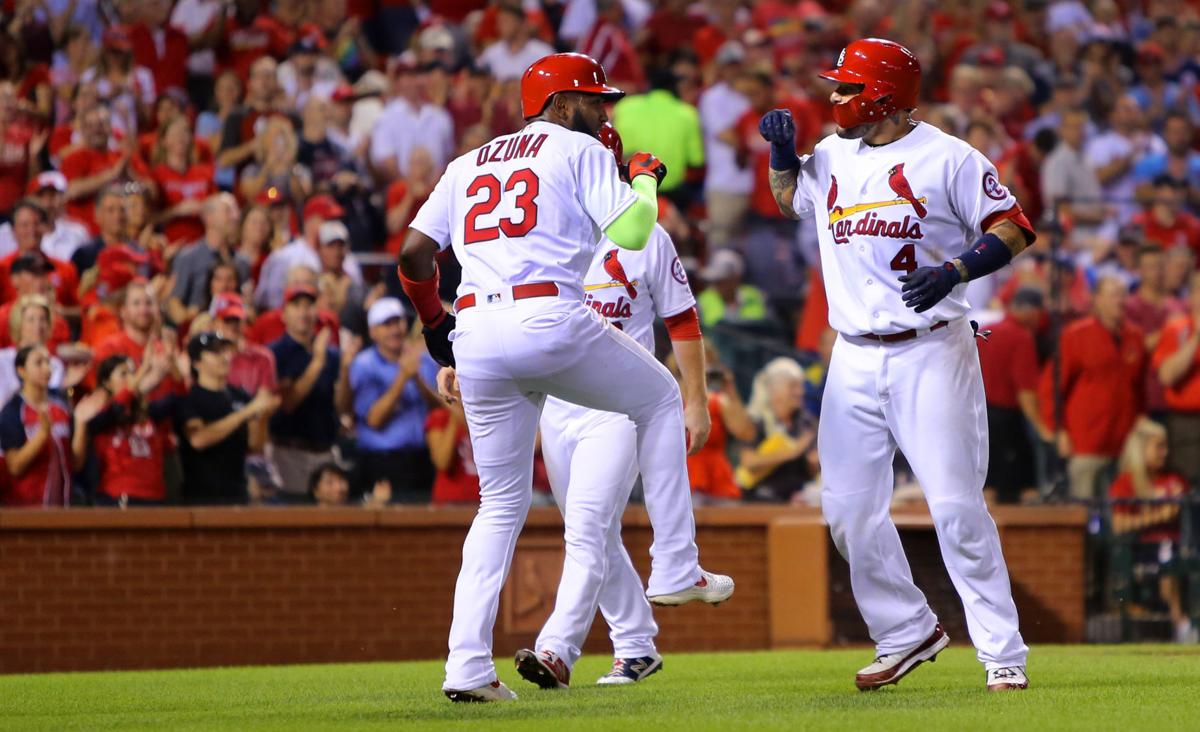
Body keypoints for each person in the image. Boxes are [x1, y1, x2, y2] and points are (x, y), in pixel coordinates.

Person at [398, 53, 733, 703]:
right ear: (558, 103)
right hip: (549, 313)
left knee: (498, 508)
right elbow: (635, 228)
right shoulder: (572, 148)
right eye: (593, 100)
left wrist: (436, 329)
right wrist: (642, 180)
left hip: (476, 328)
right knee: (663, 397)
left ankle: (466, 668)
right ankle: (675, 566)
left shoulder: (467, 162)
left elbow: (412, 254)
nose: (603, 111)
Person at [761, 38, 1035, 691]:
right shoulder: (829, 155)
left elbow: (1015, 227)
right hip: (852, 354)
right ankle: (907, 628)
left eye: (848, 88)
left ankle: (1003, 654)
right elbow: (788, 200)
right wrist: (780, 158)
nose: (834, 98)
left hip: (932, 349)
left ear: (883, 95)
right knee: (847, 511)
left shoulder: (947, 157)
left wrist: (959, 270)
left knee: (956, 509)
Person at [514, 123, 714, 689]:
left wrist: (694, 402)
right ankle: (636, 644)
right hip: (558, 403)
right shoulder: (543, 229)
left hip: (620, 403)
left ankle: (557, 650)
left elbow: (682, 319)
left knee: (585, 526)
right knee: (593, 532)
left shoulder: (645, 233)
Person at [1042, 277, 1146, 500]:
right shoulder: (1076, 334)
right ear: (1097, 299)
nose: (1119, 301)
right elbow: (1051, 387)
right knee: (1084, 505)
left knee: (1124, 506)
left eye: (1122, 295)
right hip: (1086, 439)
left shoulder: (1135, 336)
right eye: (1112, 295)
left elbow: (1140, 389)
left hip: (1125, 441)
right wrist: (1058, 430)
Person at [1107, 418, 1194, 643]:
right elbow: (1119, 525)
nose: (1164, 453)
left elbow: (1180, 510)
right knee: (1167, 558)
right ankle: (1182, 625)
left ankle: (1184, 624)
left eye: (1166, 446)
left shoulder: (1174, 479)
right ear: (1140, 449)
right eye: (1158, 447)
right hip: (1138, 548)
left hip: (1177, 544)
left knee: (1171, 556)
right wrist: (1158, 516)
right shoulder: (1125, 483)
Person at [268, 283, 353, 499]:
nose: (304, 312)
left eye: (309, 305)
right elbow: (287, 404)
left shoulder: (331, 354)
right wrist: (317, 362)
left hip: (325, 451)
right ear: (284, 313)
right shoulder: (275, 354)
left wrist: (344, 369)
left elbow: (341, 406)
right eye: (297, 305)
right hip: (289, 452)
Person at [176, 331, 278, 504]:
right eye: (216, 352)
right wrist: (246, 412)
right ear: (196, 363)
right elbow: (199, 439)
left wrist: (263, 416)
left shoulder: (240, 395)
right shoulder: (190, 398)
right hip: (202, 497)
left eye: (226, 351)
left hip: (238, 493)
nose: (224, 357)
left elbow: (255, 444)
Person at [349, 297, 434, 502]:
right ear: (373, 332)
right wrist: (403, 377)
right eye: (387, 324)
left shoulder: (423, 360)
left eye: (398, 322)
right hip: (383, 462)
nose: (395, 329)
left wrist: (418, 379)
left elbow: (439, 409)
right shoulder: (364, 364)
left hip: (423, 458)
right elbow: (374, 420)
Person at [977, 288, 1053, 504]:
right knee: (1023, 488)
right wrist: (1042, 428)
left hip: (978, 415)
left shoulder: (986, 331)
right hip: (1006, 421)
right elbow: (1026, 392)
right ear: (1031, 311)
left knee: (986, 484)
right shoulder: (1021, 337)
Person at [83, 353, 175, 505]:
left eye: (133, 372)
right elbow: (116, 408)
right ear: (106, 382)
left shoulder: (150, 413)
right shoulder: (99, 411)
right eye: (123, 373)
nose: (132, 378)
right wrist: (141, 379)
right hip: (118, 498)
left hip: (155, 498)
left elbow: (179, 400)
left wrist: (174, 371)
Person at [0, 345, 83, 506]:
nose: (47, 368)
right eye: (39, 363)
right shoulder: (13, 410)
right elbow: (15, 466)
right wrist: (42, 435)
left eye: (48, 362)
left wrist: (80, 422)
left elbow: (75, 463)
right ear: (21, 370)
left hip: (64, 506)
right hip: (27, 509)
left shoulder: (62, 406)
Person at [736, 356, 818, 503]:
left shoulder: (806, 422)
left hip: (798, 502)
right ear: (774, 390)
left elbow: (812, 467)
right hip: (759, 502)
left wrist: (814, 464)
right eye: (793, 386)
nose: (800, 392)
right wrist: (792, 452)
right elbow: (749, 462)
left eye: (801, 386)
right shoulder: (755, 421)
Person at [167, 193, 250, 325]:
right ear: (208, 217)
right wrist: (191, 325)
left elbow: (247, 302)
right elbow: (174, 302)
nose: (236, 216)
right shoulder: (188, 257)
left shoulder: (242, 262)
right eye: (228, 211)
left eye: (236, 211)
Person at [1154, 271, 1200, 489]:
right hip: (1187, 424)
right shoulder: (1177, 329)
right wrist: (1196, 337)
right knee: (1189, 485)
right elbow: (1166, 376)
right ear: (1190, 297)